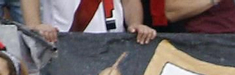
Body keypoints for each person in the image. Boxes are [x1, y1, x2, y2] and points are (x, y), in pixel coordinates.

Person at [21, 0, 157, 43]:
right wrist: (34, 24)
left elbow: (129, 1)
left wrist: (135, 23)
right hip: (63, 44)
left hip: (114, 44)